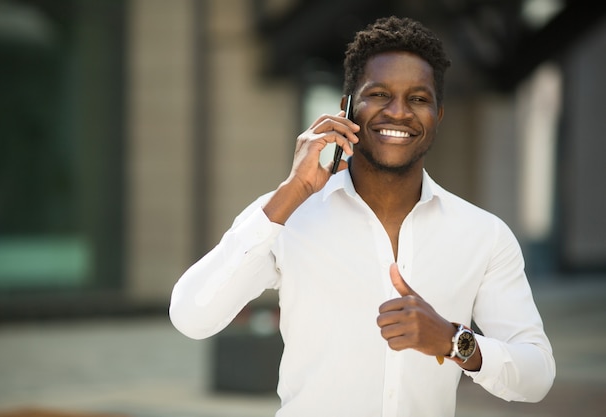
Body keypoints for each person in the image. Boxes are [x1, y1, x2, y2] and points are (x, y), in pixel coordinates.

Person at [169, 16, 555, 416]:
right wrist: (292, 192)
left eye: (418, 99)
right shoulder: (289, 215)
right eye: (380, 94)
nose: (399, 112)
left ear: (437, 116)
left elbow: (537, 374)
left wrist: (454, 341)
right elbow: (191, 316)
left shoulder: (483, 235)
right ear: (347, 108)